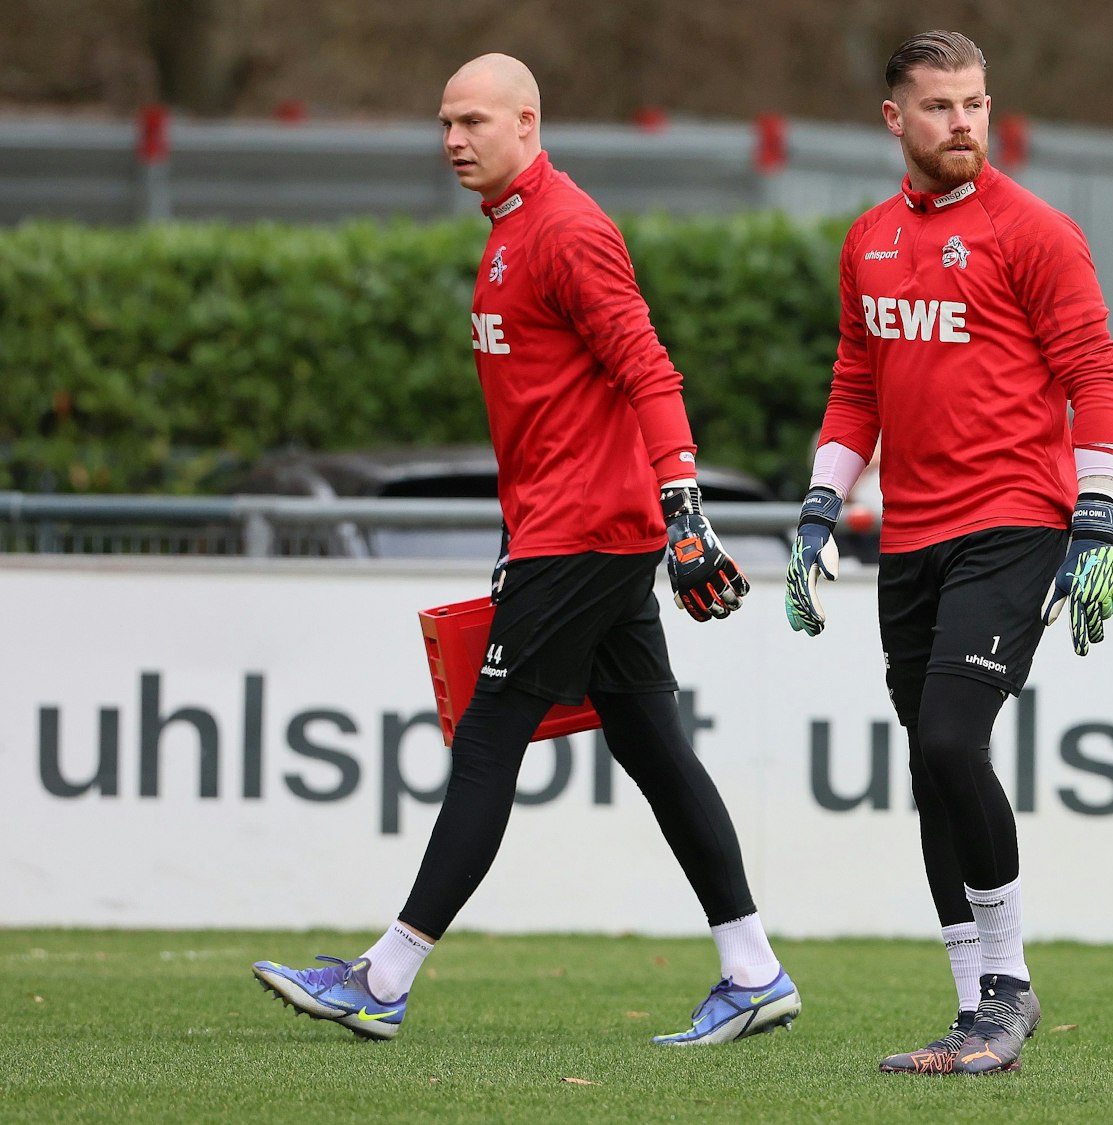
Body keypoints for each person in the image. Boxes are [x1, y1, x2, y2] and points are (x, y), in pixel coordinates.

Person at [251, 53, 799, 1047]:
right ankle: (752, 969)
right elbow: (545, 416)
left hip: (589, 533)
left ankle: (383, 975)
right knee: (653, 747)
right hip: (572, 530)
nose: (454, 139)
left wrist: (685, 514)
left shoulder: (568, 230)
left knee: (489, 736)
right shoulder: (510, 234)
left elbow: (650, 370)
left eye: (473, 121)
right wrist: (522, 535)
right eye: (445, 123)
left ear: (527, 122)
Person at [782, 30, 1113, 1076]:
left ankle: (1009, 986)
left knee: (945, 741)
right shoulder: (868, 240)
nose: (962, 122)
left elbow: (1096, 380)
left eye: (974, 102)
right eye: (938, 106)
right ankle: (972, 1012)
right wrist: (815, 510)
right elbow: (855, 390)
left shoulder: (1036, 233)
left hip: (1013, 524)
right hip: (910, 539)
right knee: (932, 772)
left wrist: (1095, 516)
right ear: (895, 119)